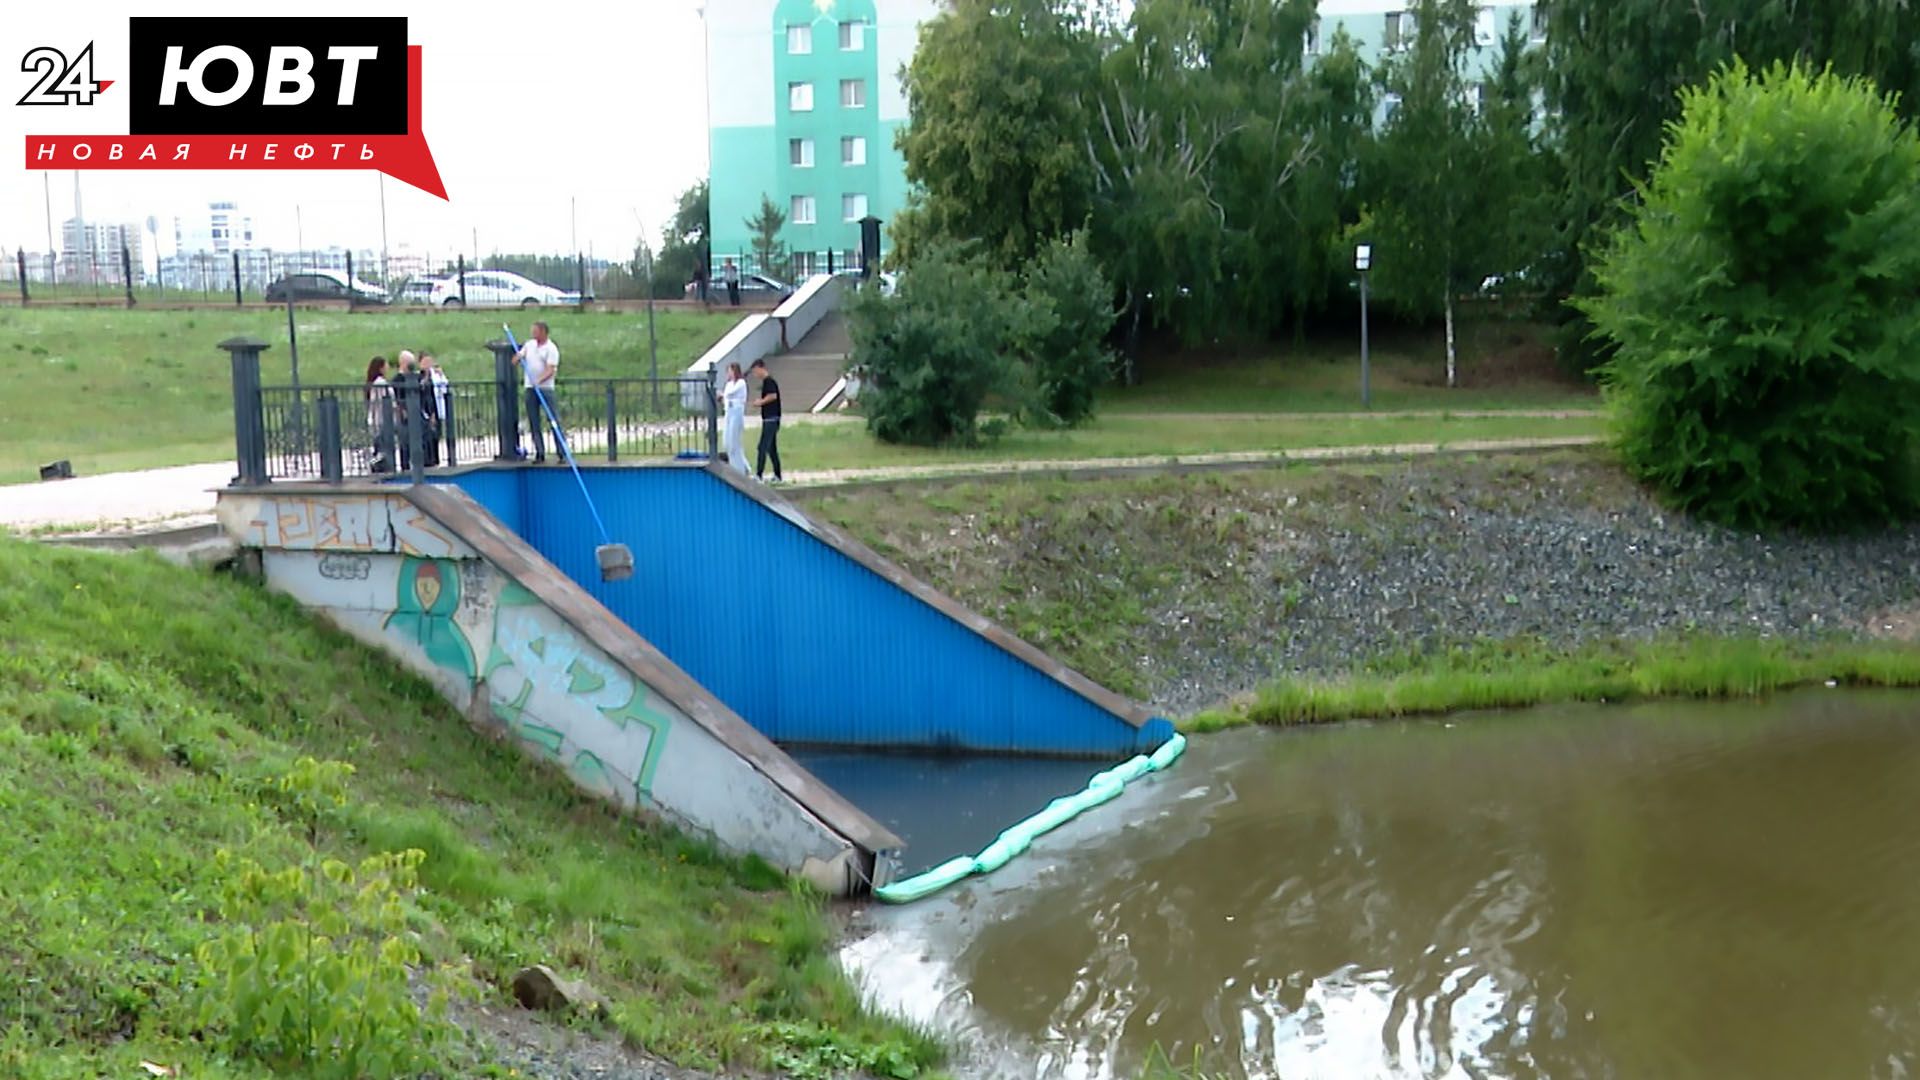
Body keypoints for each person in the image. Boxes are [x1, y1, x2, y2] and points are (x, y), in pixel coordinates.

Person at [513, 321, 562, 463]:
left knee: (553, 420)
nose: (533, 334)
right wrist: (517, 358)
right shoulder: (529, 345)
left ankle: (561, 452)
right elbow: (516, 358)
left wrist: (539, 381)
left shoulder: (551, 348)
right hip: (530, 389)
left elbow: (550, 369)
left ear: (543, 332)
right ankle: (540, 453)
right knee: (534, 421)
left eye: (535, 331)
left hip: (545, 389)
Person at [749, 358, 782, 483]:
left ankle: (759, 474)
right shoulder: (766, 382)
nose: (755, 374)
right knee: (771, 448)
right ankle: (778, 475)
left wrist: (760, 402)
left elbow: (773, 396)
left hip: (771, 419)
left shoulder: (769, 381)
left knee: (762, 447)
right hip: (768, 418)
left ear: (760, 368)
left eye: (755, 371)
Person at [364, 356, 394, 473]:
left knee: (380, 446)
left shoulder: (375, 383)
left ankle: (377, 465)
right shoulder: (380, 383)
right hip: (381, 419)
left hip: (377, 419)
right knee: (383, 446)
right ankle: (377, 466)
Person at [718, 362, 749, 475]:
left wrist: (723, 394)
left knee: (734, 442)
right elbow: (725, 398)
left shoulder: (741, 383)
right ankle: (736, 466)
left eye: (730, 371)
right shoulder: (729, 384)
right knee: (727, 442)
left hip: (737, 412)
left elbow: (729, 394)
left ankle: (741, 469)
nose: (729, 373)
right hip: (729, 412)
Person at [420, 352, 449, 466]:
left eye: (429, 362)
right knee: (428, 435)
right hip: (427, 409)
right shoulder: (420, 376)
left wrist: (441, 375)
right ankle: (429, 459)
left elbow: (444, 388)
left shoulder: (436, 375)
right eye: (425, 362)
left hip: (437, 407)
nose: (428, 365)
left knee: (437, 433)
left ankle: (436, 458)